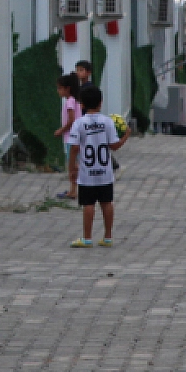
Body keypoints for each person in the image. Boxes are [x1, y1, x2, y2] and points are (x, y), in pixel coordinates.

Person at [68, 84, 130, 248]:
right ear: (101, 102)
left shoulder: (79, 123)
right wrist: (126, 136)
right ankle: (108, 237)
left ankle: (87, 238)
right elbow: (114, 146)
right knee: (106, 203)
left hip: (87, 173)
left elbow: (74, 148)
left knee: (88, 205)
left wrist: (72, 167)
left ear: (81, 104)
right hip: (105, 172)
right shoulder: (108, 122)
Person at [54, 73, 81, 198]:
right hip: (77, 137)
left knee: (72, 166)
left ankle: (73, 190)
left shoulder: (70, 103)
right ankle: (74, 189)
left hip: (70, 138)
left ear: (67, 88)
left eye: (60, 88)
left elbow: (71, 120)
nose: (58, 91)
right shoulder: (76, 101)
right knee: (75, 164)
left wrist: (61, 130)